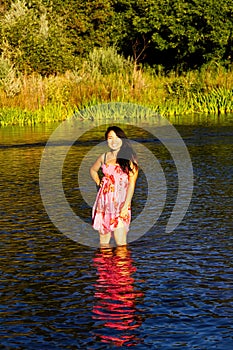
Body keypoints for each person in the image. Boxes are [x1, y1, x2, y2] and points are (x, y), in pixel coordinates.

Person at [90, 126, 138, 246]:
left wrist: (125, 206)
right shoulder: (104, 157)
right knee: (104, 244)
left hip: (121, 203)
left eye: (117, 138)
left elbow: (132, 184)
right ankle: (105, 265)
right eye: (110, 138)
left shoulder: (130, 159)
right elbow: (93, 170)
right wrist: (98, 181)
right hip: (104, 203)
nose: (113, 141)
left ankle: (122, 265)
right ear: (106, 140)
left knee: (121, 244)